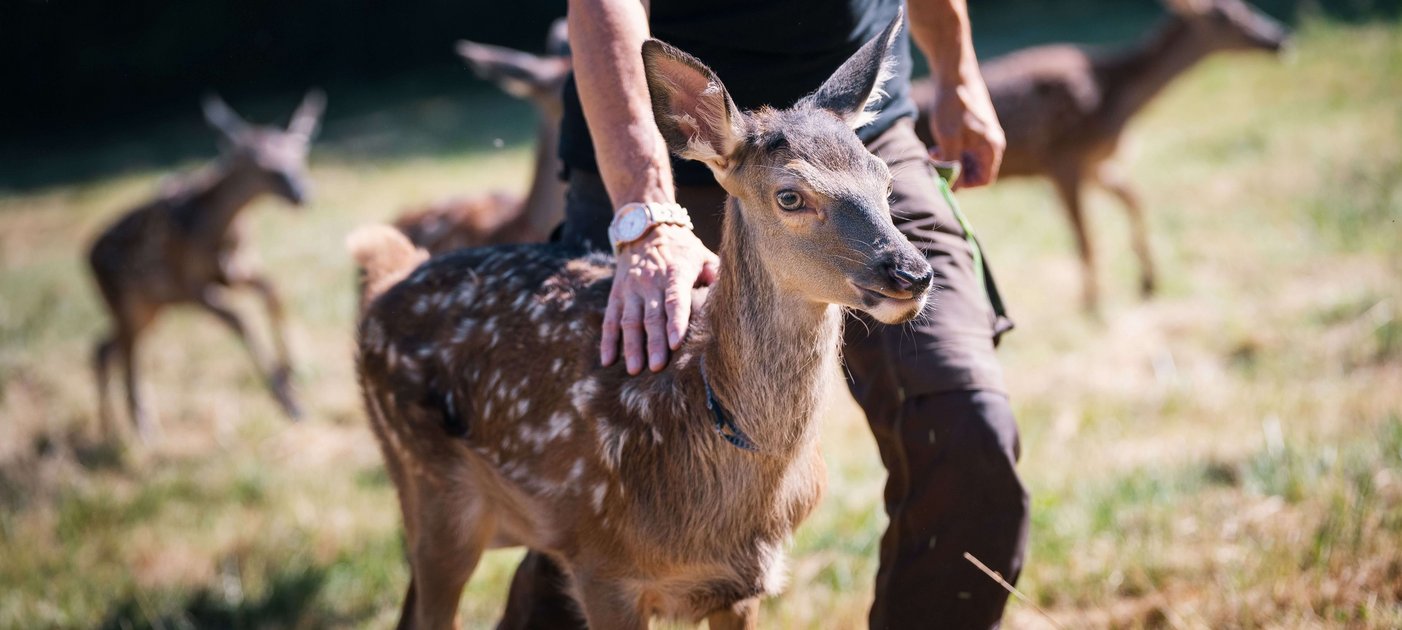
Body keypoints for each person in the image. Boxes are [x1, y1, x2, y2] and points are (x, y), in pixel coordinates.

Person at [499, 1, 1028, 628]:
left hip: (853, 146)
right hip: (655, 147)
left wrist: (957, 69)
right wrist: (644, 215)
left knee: (964, 434)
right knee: (596, 477)